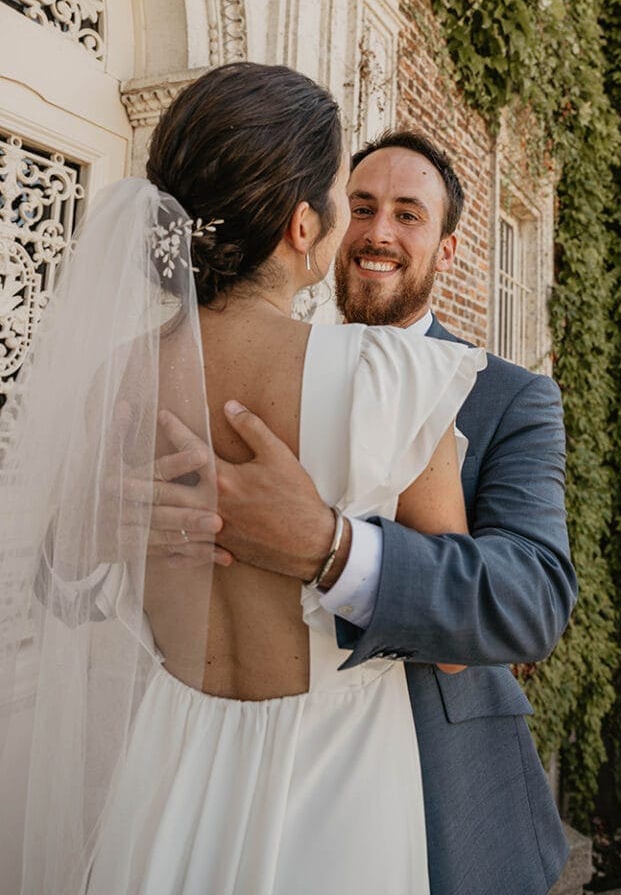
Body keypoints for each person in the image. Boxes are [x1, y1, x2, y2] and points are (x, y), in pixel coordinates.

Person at [0, 64, 485, 895]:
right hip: (332, 779)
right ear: (303, 226)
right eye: (342, 194)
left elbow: (69, 571)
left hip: (164, 765)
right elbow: (457, 647)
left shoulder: (118, 379)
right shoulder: (391, 375)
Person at [160, 131, 578, 895]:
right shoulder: (243, 363)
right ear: (318, 224)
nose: (378, 231)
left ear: (448, 252)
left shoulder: (511, 396)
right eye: (360, 207)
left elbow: (532, 598)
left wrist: (335, 549)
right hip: (241, 770)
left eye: (408, 215)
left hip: (440, 783)